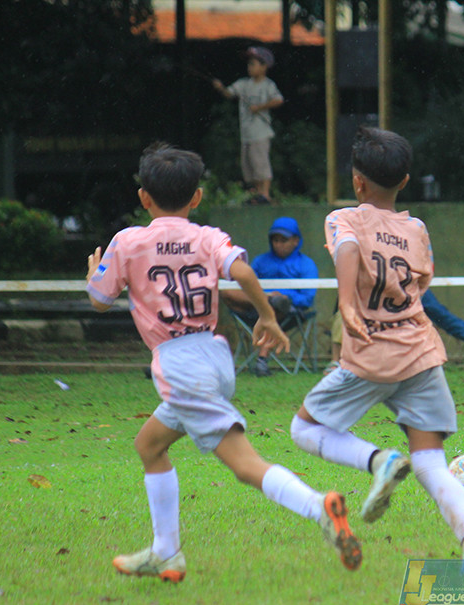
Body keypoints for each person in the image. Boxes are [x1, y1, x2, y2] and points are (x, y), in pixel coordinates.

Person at [85, 143, 361, 581]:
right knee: (150, 445)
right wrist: (268, 318)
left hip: (179, 365)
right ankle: (166, 552)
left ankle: (320, 508)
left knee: (243, 464)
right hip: (214, 356)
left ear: (143, 197)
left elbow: (100, 300)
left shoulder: (127, 242)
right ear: (196, 197)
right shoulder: (208, 236)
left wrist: (93, 274)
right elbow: (246, 274)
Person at [289, 126, 464, 571]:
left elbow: (346, 248)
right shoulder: (418, 229)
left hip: (370, 351)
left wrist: (347, 301)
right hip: (420, 353)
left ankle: (378, 460)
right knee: (430, 462)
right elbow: (422, 284)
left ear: (356, 181)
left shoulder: (343, 218)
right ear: (405, 182)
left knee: (304, 430)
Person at [223, 216, 318, 376]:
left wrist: (284, 296)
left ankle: (262, 357)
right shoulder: (260, 261)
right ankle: (268, 299)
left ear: (296, 240)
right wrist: (266, 298)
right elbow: (245, 285)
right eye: (275, 240)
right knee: (226, 290)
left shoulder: (306, 264)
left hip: (288, 312)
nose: (278, 244)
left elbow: (308, 298)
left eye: (284, 240)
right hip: (254, 306)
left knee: (279, 303)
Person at [324, 290, 464, 374]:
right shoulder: (363, 278)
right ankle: (337, 364)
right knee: (344, 315)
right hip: (364, 355)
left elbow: (440, 314)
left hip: (401, 359)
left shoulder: (412, 284)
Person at [212, 45, 284, 205]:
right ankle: (257, 194)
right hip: (246, 133)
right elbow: (229, 93)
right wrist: (220, 88)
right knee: (249, 165)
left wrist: (259, 107)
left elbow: (278, 100)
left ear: (264, 66)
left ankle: (265, 194)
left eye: (253, 64)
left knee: (261, 162)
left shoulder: (268, 85)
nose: (249, 67)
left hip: (261, 132)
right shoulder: (244, 84)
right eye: (249, 64)